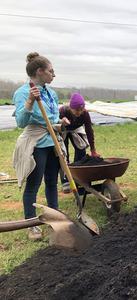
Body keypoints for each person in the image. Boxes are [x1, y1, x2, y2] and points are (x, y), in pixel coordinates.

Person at [12, 52, 67, 240]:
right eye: (51, 71)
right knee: (33, 185)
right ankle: (31, 225)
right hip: (36, 143)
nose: (54, 74)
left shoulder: (51, 93)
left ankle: (56, 218)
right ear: (40, 71)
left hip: (52, 141)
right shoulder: (21, 93)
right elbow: (21, 121)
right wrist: (29, 101)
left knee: (52, 182)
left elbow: (52, 118)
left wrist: (61, 122)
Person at [59, 93, 100, 193]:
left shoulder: (85, 114)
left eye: (81, 110)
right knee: (63, 154)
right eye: (77, 110)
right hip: (62, 129)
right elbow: (55, 123)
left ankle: (78, 176)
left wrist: (93, 150)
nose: (79, 112)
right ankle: (66, 180)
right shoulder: (63, 111)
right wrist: (61, 121)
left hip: (76, 129)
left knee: (81, 151)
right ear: (71, 107)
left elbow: (89, 131)